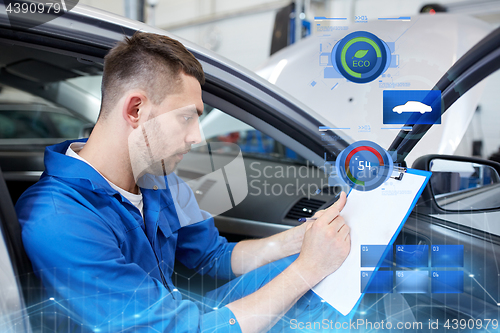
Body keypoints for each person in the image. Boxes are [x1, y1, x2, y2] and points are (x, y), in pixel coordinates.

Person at [15, 32, 350, 332]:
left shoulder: (160, 181)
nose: (196, 137)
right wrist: (309, 267)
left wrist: (302, 240)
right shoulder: (59, 219)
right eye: (187, 117)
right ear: (135, 110)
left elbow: (213, 257)